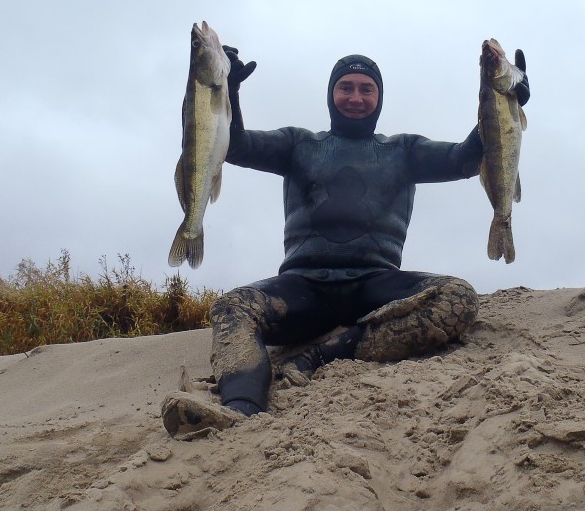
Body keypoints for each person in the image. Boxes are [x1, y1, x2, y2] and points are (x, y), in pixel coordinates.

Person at [162, 46, 530, 438]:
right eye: (346, 88)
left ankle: (327, 353)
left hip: (375, 285)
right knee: (232, 307)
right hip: (304, 289)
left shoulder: (404, 151)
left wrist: (504, 100)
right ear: (331, 95)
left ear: (379, 98)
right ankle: (241, 409)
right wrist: (228, 88)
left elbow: (465, 158)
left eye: (366, 89)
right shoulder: (297, 144)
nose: (356, 98)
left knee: (458, 297)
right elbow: (234, 146)